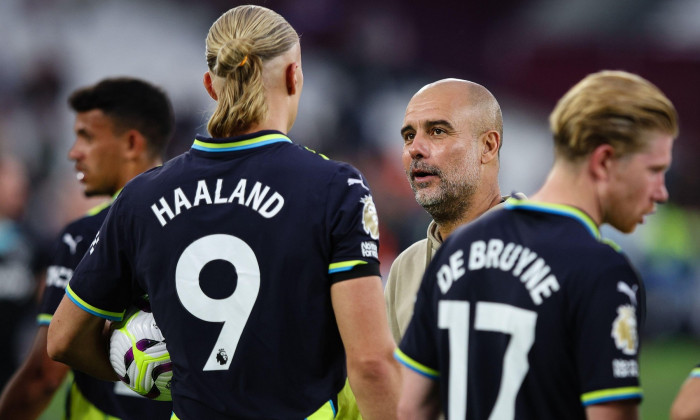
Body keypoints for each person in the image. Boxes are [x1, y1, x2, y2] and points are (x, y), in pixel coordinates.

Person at [47, 5, 400, 420]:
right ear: (293, 77)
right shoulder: (333, 188)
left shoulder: (141, 197)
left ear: (210, 87)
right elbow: (372, 364)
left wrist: (153, 373)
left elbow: (63, 339)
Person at [395, 70, 678, 420]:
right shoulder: (602, 270)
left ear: (489, 145)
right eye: (654, 169)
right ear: (604, 161)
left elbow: (410, 408)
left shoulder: (456, 253)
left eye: (437, 131)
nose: (661, 191)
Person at [0, 77, 175, 419]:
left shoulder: (84, 235)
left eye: (87, 136)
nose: (74, 152)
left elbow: (43, 377)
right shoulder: (197, 228)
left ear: (131, 143)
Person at [385, 78, 525, 344]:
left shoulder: (547, 247)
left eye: (437, 131)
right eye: (409, 136)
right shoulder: (405, 268)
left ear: (488, 146)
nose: (415, 149)